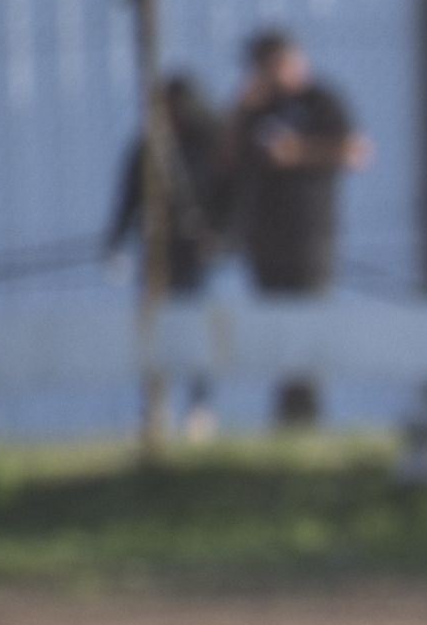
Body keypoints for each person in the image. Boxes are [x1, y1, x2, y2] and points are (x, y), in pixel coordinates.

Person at [229, 27, 369, 425]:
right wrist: (240, 107)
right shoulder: (254, 110)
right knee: (275, 330)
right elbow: (225, 158)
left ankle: (306, 415)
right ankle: (286, 414)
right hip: (262, 239)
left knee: (308, 327)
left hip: (310, 236)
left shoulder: (320, 101)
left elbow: (355, 150)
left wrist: (299, 153)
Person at [102, 70, 226, 299]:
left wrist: (220, 234)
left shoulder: (211, 144)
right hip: (157, 242)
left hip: (194, 245)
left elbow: (227, 194)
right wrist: (115, 240)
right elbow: (129, 197)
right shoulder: (149, 148)